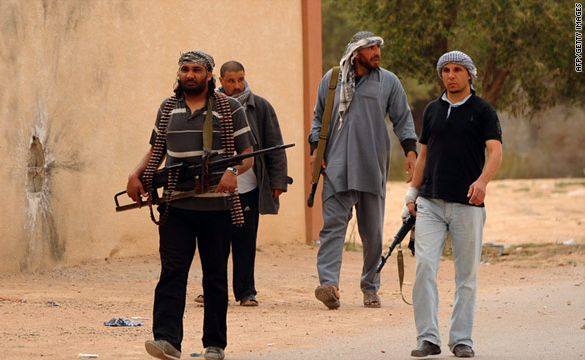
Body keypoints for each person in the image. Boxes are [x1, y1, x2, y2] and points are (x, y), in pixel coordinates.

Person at [126, 50, 255, 360]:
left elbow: (247, 155)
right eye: (185, 69)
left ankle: (214, 344)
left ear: (209, 75)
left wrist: (231, 171)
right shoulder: (168, 108)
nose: (190, 75)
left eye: (197, 70)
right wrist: (136, 174)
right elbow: (156, 149)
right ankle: (167, 340)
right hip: (175, 206)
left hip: (216, 209)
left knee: (214, 276)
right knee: (172, 272)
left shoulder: (230, 108)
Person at [308, 31, 418, 310]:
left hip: (371, 167)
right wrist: (314, 151)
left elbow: (402, 118)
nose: (377, 53)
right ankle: (329, 285)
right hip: (336, 166)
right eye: (371, 49)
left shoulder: (388, 81)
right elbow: (318, 118)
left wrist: (411, 152)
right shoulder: (331, 80)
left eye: (378, 48)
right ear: (356, 53)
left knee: (372, 234)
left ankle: (370, 286)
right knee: (332, 228)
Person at [403, 51, 502, 358]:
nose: (451, 75)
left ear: (469, 74)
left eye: (457, 69)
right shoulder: (432, 110)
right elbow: (424, 154)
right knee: (424, 268)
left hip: (467, 205)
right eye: (446, 70)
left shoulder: (483, 111)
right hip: (430, 203)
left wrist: (482, 181)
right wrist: (412, 193)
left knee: (466, 276)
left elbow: (495, 151)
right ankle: (428, 338)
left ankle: (461, 340)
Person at [194, 61, 290, 307]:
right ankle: (213, 290)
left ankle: (246, 291)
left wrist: (278, 181)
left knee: (245, 241)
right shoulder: (208, 107)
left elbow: (275, 145)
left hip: (248, 187)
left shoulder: (260, 107)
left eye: (240, 80)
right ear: (220, 82)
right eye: (231, 81)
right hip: (216, 188)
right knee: (215, 243)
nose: (237, 86)